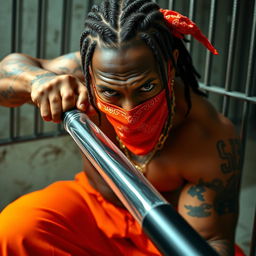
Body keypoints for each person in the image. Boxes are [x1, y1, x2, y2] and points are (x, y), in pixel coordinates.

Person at [0, 0, 245, 255]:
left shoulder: (208, 135)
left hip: (163, 236)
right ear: (89, 72)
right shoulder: (83, 74)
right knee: (15, 228)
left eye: (146, 88)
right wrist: (38, 80)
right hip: (96, 208)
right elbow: (5, 74)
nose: (129, 111)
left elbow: (211, 239)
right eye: (110, 92)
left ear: (170, 65)